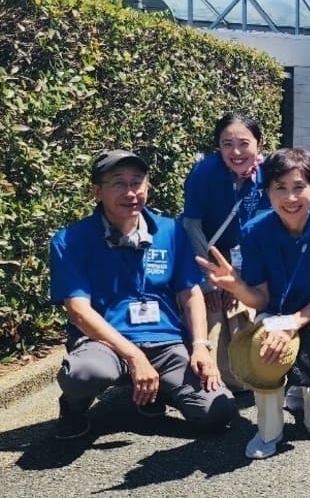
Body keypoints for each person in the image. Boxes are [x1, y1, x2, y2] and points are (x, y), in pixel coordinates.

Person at [51, 150, 235, 440]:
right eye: (118, 183)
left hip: (165, 342)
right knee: (83, 375)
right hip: (104, 343)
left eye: (137, 182)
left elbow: (190, 293)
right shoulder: (70, 239)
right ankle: (73, 407)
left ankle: (156, 390)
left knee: (218, 410)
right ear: (96, 192)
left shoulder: (171, 231)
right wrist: (134, 356)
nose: (130, 192)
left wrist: (200, 347)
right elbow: (78, 311)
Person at [198, 148, 310, 459]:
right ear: (267, 191)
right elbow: (260, 298)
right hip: (276, 317)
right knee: (265, 346)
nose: (290, 198)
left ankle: (299, 385)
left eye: (299, 187)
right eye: (280, 188)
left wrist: (293, 324)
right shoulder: (255, 231)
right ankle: (269, 430)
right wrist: (237, 287)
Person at [181, 113, 268, 392]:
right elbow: (192, 226)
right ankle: (211, 376)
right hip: (204, 254)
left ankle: (248, 375)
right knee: (213, 309)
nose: (236, 152)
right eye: (227, 144)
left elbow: (263, 231)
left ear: (259, 143)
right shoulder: (204, 172)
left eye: (244, 143)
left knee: (242, 306)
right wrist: (209, 281)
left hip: (246, 258)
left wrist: (239, 280)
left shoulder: (268, 174)